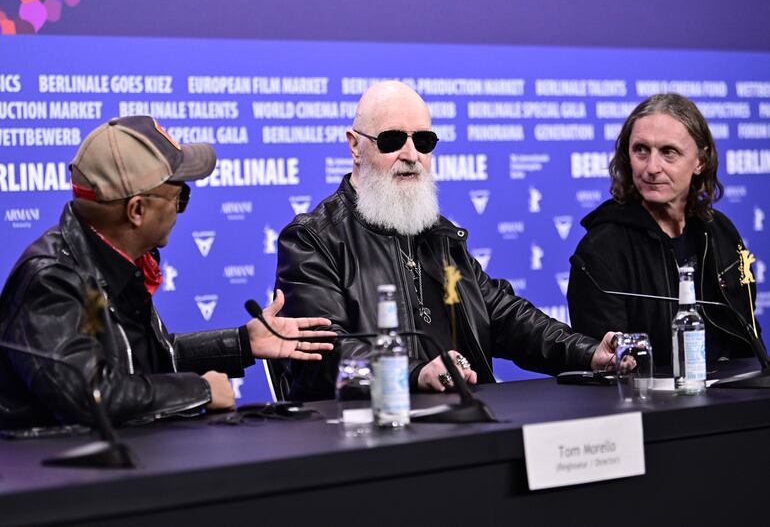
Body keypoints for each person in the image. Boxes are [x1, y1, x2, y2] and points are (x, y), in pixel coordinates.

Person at [275, 81, 616, 402]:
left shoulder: (439, 234)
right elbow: (324, 353)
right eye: (392, 140)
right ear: (355, 145)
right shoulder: (313, 239)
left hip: (462, 419)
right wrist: (414, 374)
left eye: (423, 142)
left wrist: (588, 353)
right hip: (366, 433)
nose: (411, 154)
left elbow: (503, 316)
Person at [0, 116, 334, 430]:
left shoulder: (114, 262)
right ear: (137, 210)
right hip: (65, 481)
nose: (180, 210)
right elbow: (91, 394)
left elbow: (141, 362)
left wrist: (243, 342)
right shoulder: (51, 279)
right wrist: (199, 390)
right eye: (180, 197)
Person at [568, 93, 763, 367]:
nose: (652, 168)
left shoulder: (721, 233)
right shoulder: (600, 249)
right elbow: (608, 367)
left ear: (700, 161)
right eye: (641, 150)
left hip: (732, 399)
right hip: (648, 404)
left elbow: (749, 339)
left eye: (668, 152)